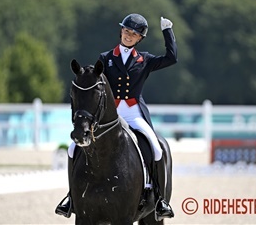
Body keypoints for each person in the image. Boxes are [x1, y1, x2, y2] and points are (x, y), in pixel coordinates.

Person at [55, 13, 177, 221]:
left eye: (134, 34)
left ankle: (160, 200)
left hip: (133, 112)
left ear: (140, 38)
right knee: (73, 148)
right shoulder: (106, 58)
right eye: (126, 31)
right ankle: (71, 198)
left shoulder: (144, 60)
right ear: (121, 31)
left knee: (157, 148)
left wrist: (168, 32)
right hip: (111, 112)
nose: (129, 36)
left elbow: (171, 58)